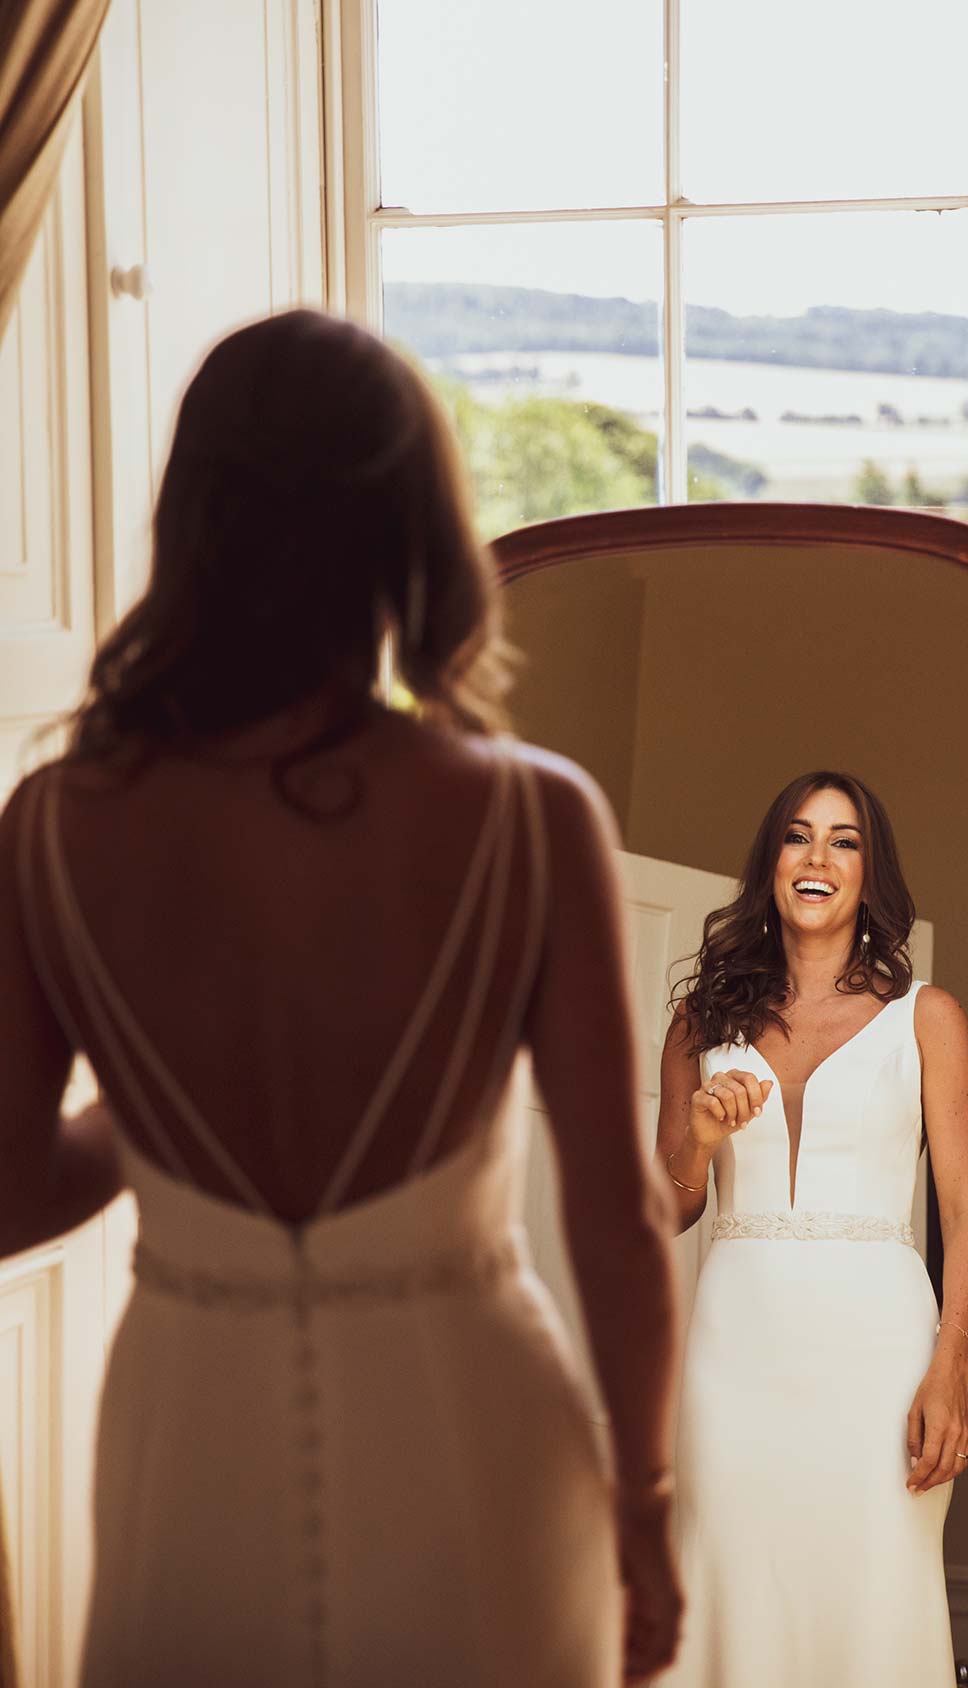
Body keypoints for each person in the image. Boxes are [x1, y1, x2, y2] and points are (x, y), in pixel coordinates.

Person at [0, 310, 683, 1687]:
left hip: (189, 1446)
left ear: (193, 526)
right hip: (474, 1433)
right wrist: (646, 1504)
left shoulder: (56, 822)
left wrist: (151, 1122)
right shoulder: (528, 815)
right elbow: (618, 1214)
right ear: (411, 531)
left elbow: (7, 1195)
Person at [654, 771, 968, 1686]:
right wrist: (700, 1138)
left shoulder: (927, 1018)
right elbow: (665, 1208)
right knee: (730, 1578)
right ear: (771, 863)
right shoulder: (700, 1022)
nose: (818, 857)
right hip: (736, 1352)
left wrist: (951, 1372)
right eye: (798, 836)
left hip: (880, 1355)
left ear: (870, 873)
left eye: (845, 841)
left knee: (876, 1585)